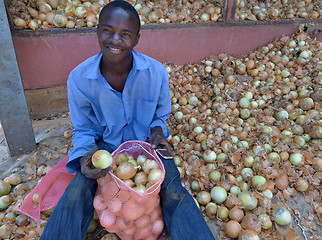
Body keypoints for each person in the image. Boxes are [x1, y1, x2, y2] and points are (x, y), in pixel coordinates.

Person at [39, 1, 215, 240]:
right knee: (76, 192)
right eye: (107, 30)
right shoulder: (79, 78)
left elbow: (160, 116)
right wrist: (84, 158)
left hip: (148, 147)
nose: (114, 40)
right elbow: (84, 128)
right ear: (98, 30)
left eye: (125, 34)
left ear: (137, 39)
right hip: (107, 148)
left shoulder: (156, 72)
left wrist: (157, 131)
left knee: (174, 192)